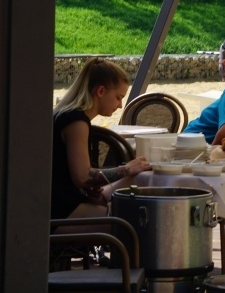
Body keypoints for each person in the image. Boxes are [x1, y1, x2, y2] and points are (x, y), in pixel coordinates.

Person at [52, 58, 151, 230]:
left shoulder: (66, 115)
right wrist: (127, 169)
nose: (120, 105)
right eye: (118, 97)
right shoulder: (76, 122)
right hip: (60, 211)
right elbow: (82, 176)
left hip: (58, 202)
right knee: (138, 224)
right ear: (100, 91)